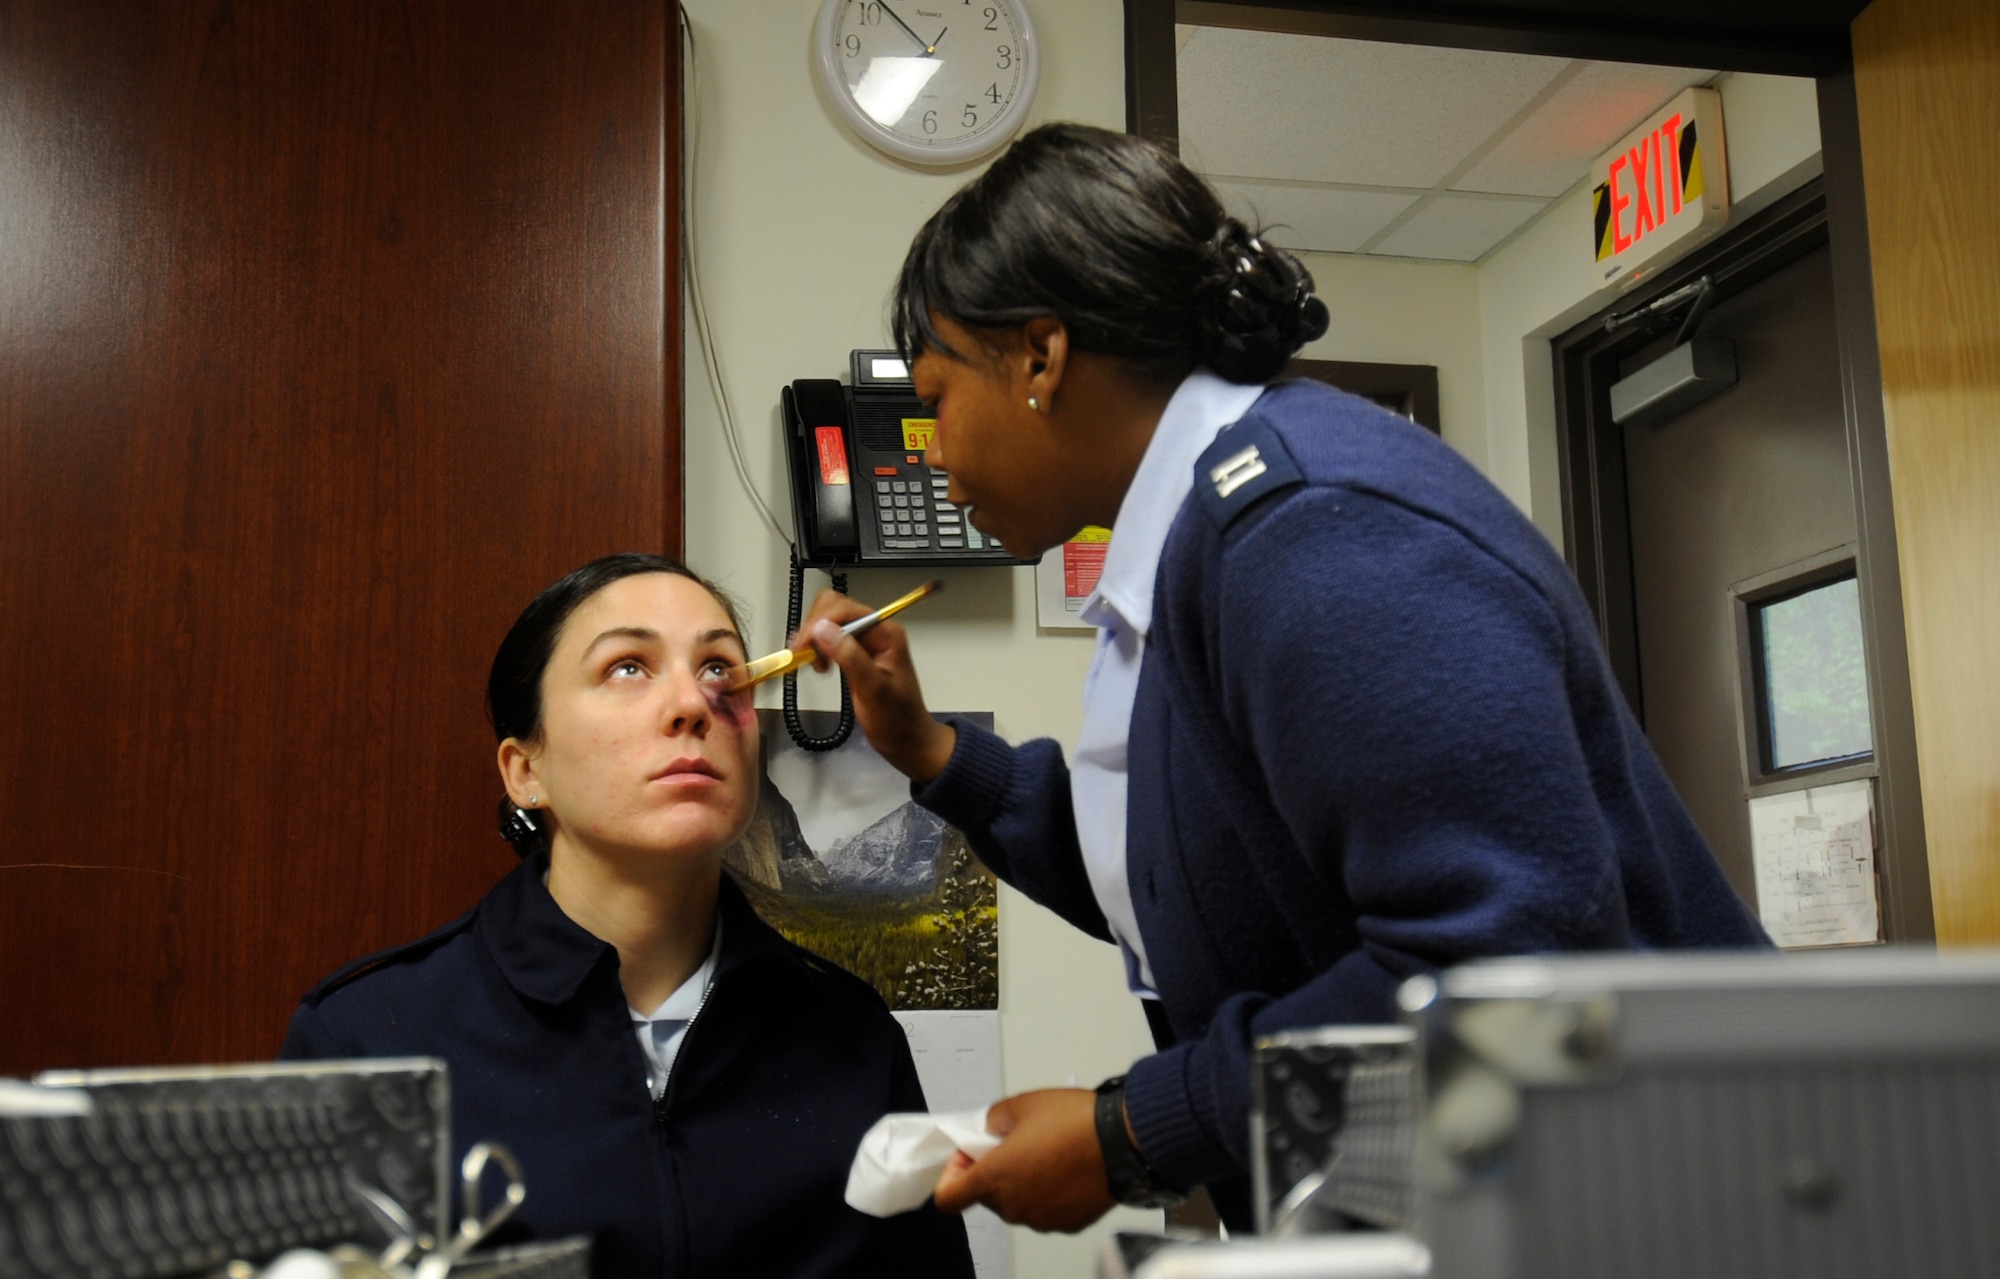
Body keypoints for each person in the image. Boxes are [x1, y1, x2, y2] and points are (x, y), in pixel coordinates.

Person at [795, 123, 1771, 1235]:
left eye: (933, 398)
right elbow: (1191, 888)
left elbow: (1501, 961)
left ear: (1038, 357)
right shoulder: (1192, 545)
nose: (932, 449)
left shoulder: (1311, 528)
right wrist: (928, 751)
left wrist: (1133, 1133)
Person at [281, 553, 974, 1279]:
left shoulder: (852, 1040)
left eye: (718, 668)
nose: (693, 703)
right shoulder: (367, 1037)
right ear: (526, 770)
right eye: (626, 668)